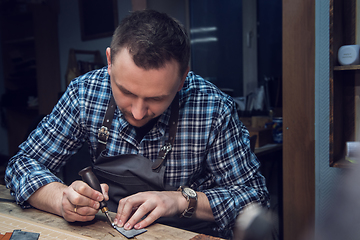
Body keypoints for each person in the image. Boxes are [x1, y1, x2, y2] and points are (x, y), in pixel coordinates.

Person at [5, 9, 269, 239]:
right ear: (109, 62)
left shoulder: (213, 108)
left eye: (156, 98)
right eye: (126, 92)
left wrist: (180, 200)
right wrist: (62, 198)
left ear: (181, 81)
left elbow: (254, 199)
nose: (139, 112)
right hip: (109, 231)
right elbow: (22, 164)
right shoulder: (85, 93)